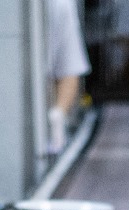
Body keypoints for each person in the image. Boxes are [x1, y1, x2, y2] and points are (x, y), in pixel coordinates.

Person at [45, 0, 92, 154]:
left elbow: (69, 71)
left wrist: (57, 117)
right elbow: (70, 71)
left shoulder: (59, 4)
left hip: (40, 131)